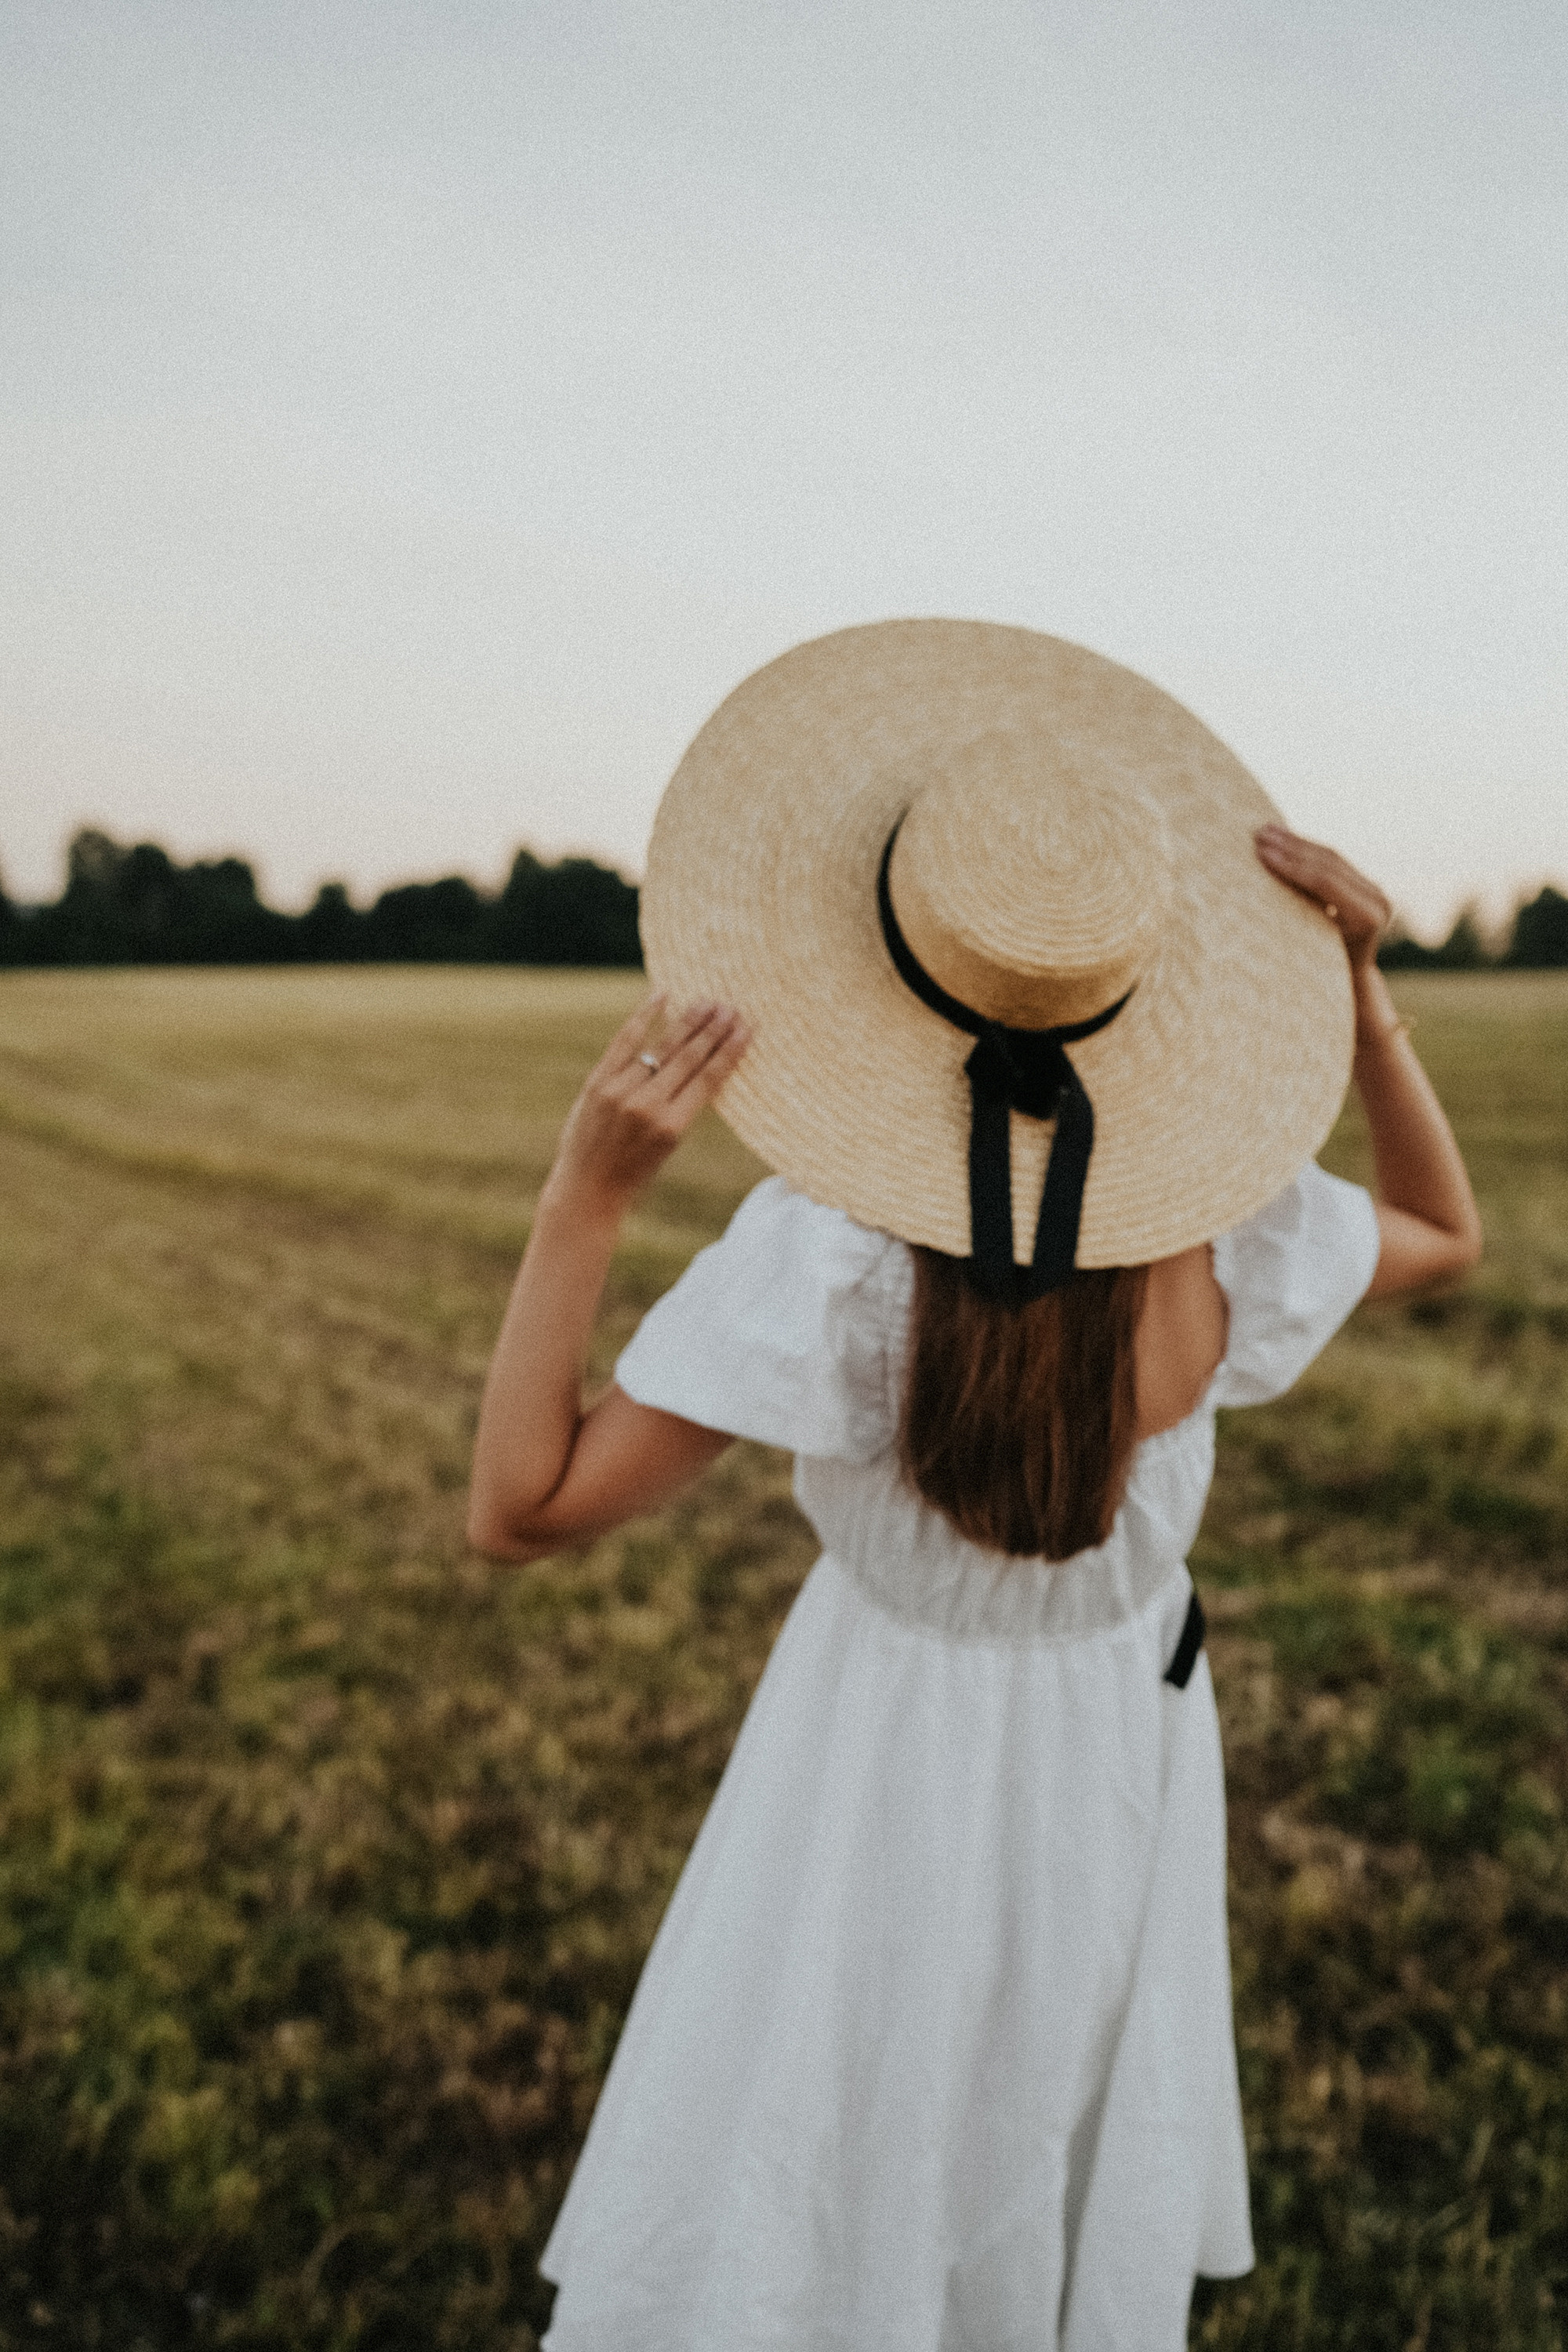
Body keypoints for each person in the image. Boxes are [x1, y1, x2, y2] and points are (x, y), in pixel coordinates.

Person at [467, 624, 1481, 2352]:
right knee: (1042, 2131)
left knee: (847, 2139)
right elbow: (1448, 1235)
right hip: (1120, 1751)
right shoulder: (1236, 1222)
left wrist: (584, 1198)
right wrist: (1361, 1006)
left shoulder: (845, 1264)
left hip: (877, 1757)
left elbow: (522, 1508)